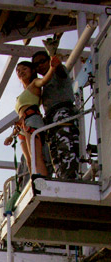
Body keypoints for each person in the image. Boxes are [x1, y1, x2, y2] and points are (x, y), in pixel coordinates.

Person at [4, 58, 60, 176]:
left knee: (35, 156)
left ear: (32, 70)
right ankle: (34, 180)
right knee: (29, 161)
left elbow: (44, 81)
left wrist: (52, 68)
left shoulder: (34, 83)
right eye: (18, 70)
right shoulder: (22, 94)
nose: (21, 72)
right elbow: (21, 116)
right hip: (23, 125)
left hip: (32, 119)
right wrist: (11, 136)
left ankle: (41, 180)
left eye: (24, 69)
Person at [32, 50, 80, 179]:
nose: (39, 66)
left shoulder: (58, 71)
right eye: (36, 65)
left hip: (63, 113)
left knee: (66, 149)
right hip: (50, 119)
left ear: (49, 61)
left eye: (42, 61)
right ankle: (62, 179)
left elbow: (61, 72)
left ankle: (70, 180)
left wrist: (55, 64)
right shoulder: (44, 82)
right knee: (55, 154)